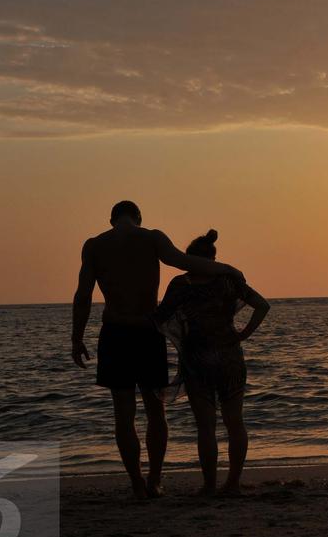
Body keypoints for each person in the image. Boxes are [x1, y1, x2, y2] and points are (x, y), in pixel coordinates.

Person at [72, 201, 246, 500]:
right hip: (148, 332)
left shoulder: (94, 245)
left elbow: (84, 294)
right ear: (138, 218)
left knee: (123, 414)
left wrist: (76, 337)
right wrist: (226, 268)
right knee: (156, 410)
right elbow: (182, 261)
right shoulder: (151, 237)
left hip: (115, 332)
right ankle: (154, 479)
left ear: (112, 219)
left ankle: (137, 484)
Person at [152, 229, 269, 496]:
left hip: (197, 360)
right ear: (213, 258)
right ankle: (233, 484)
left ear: (190, 259)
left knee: (206, 427)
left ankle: (209, 485)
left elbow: (159, 318)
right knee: (234, 422)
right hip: (230, 357)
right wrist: (244, 334)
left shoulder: (181, 285)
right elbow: (262, 305)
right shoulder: (228, 281)